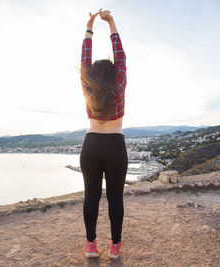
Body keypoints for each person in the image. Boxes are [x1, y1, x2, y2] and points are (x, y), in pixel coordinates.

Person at [80, 9, 127, 260]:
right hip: (115, 144)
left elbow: (84, 60)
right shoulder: (119, 85)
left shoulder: (88, 87)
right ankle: (115, 246)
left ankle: (90, 245)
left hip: (91, 143)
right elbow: (120, 56)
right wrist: (111, 23)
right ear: (114, 73)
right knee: (115, 198)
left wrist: (89, 27)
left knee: (91, 197)